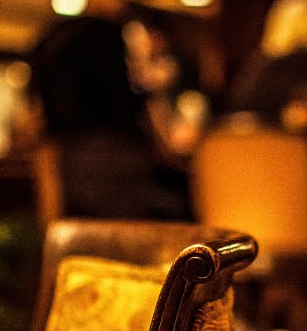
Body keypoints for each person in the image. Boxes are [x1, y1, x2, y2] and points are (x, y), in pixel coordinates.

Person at [27, 13, 190, 220]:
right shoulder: (127, 135)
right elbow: (169, 156)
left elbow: (53, 219)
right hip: (154, 233)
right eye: (126, 60)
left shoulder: (58, 144)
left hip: (87, 239)